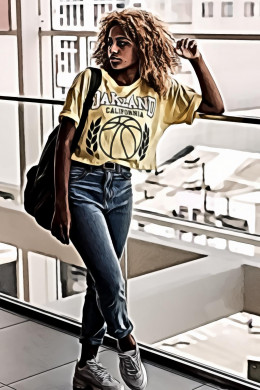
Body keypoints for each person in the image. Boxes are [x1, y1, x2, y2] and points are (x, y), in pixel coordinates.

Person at [51, 8, 224, 390]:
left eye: (122, 43)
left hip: (121, 188)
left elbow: (215, 106)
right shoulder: (90, 80)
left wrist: (198, 61)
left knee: (101, 283)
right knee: (112, 281)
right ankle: (127, 340)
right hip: (82, 184)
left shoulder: (160, 90)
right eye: (110, 42)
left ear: (141, 47)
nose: (113, 49)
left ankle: (87, 365)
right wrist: (62, 204)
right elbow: (64, 143)